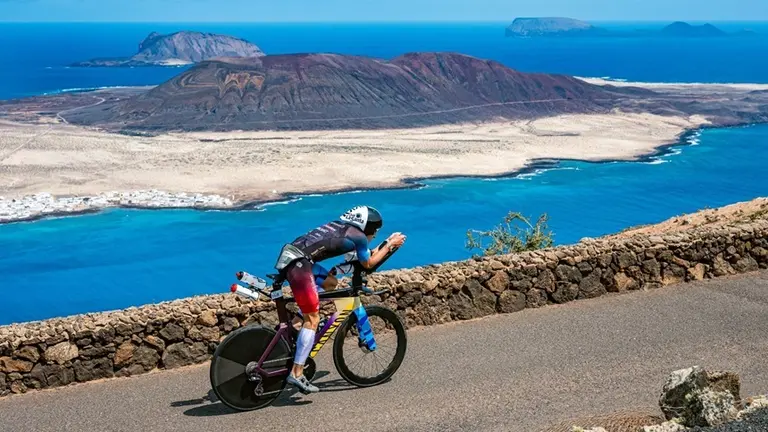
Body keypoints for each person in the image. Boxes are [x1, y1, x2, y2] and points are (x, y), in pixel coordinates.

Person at [273, 205, 406, 394]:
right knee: (313, 319)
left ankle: (296, 324)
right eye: (374, 231)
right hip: (299, 264)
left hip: (295, 257)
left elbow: (363, 256)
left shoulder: (342, 228)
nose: (374, 236)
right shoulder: (358, 236)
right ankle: (296, 373)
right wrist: (390, 244)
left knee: (330, 282)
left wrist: (386, 244)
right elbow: (368, 263)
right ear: (367, 227)